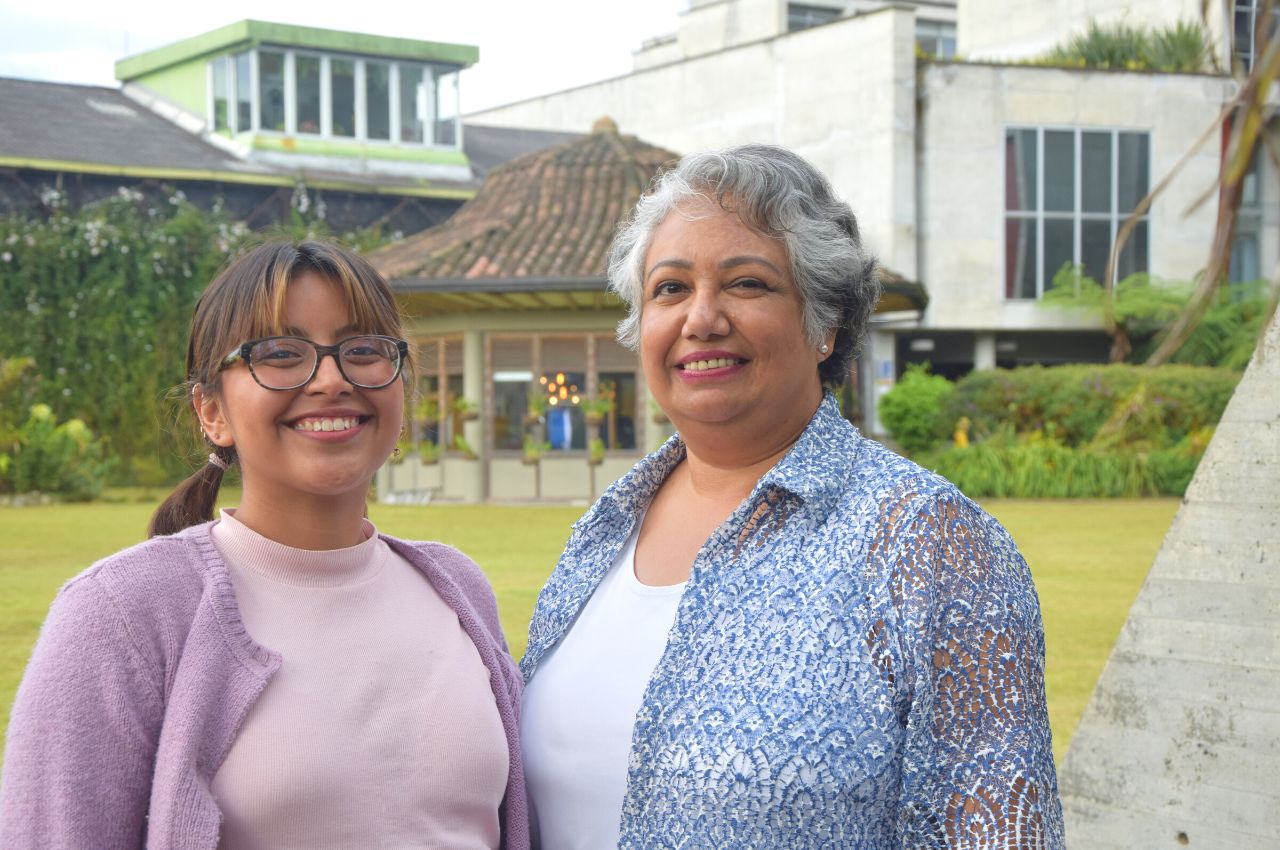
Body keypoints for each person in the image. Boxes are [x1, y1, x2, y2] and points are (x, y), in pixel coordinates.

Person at [520, 145, 1064, 848]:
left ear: (824, 324)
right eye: (670, 288)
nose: (702, 318)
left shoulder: (929, 544)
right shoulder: (603, 531)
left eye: (747, 284)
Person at [0, 241, 528, 850]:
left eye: (362, 351)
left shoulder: (458, 590)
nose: (332, 380)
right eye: (279, 353)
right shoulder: (119, 615)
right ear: (210, 411)